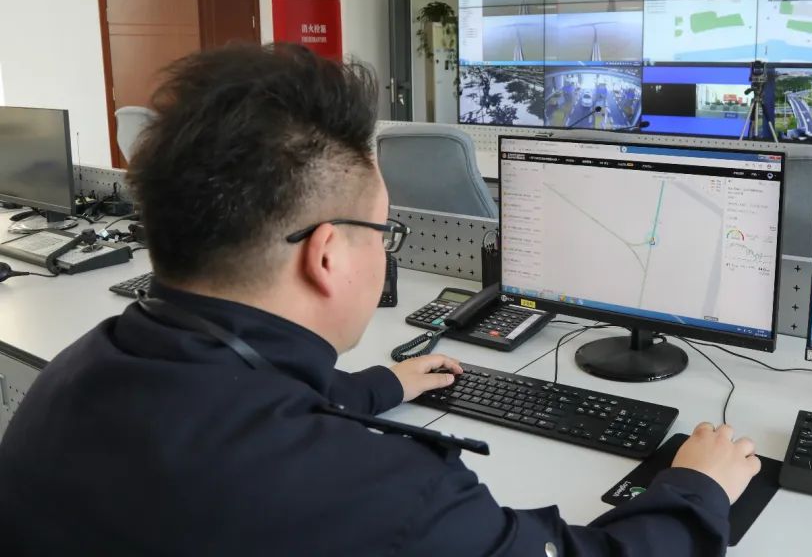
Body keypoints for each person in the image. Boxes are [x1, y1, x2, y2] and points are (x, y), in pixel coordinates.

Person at [0, 44, 760, 555]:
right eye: (384, 232)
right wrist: (698, 487)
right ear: (329, 254)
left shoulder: (77, 373)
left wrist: (377, 386)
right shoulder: (385, 496)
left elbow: (228, 403)